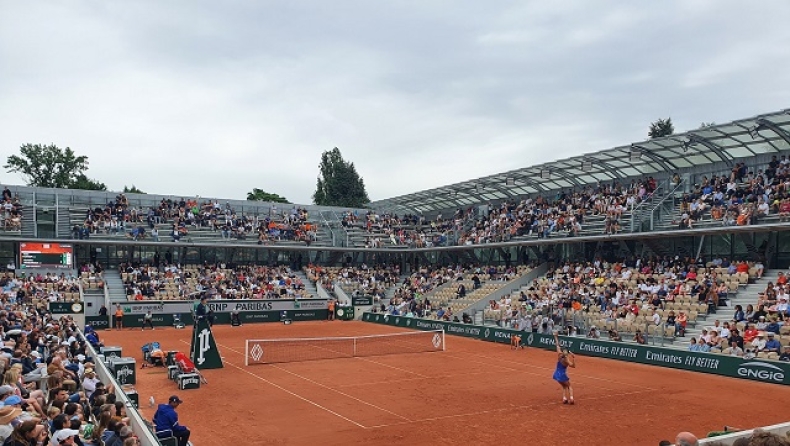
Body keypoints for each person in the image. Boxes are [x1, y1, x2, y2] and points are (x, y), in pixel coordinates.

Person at [552, 331, 576, 405]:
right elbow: (573, 366)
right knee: (569, 386)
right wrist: (573, 358)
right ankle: (571, 398)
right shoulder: (566, 359)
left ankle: (564, 398)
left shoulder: (559, 355)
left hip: (556, 374)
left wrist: (555, 336)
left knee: (564, 387)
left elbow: (557, 345)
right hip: (562, 375)